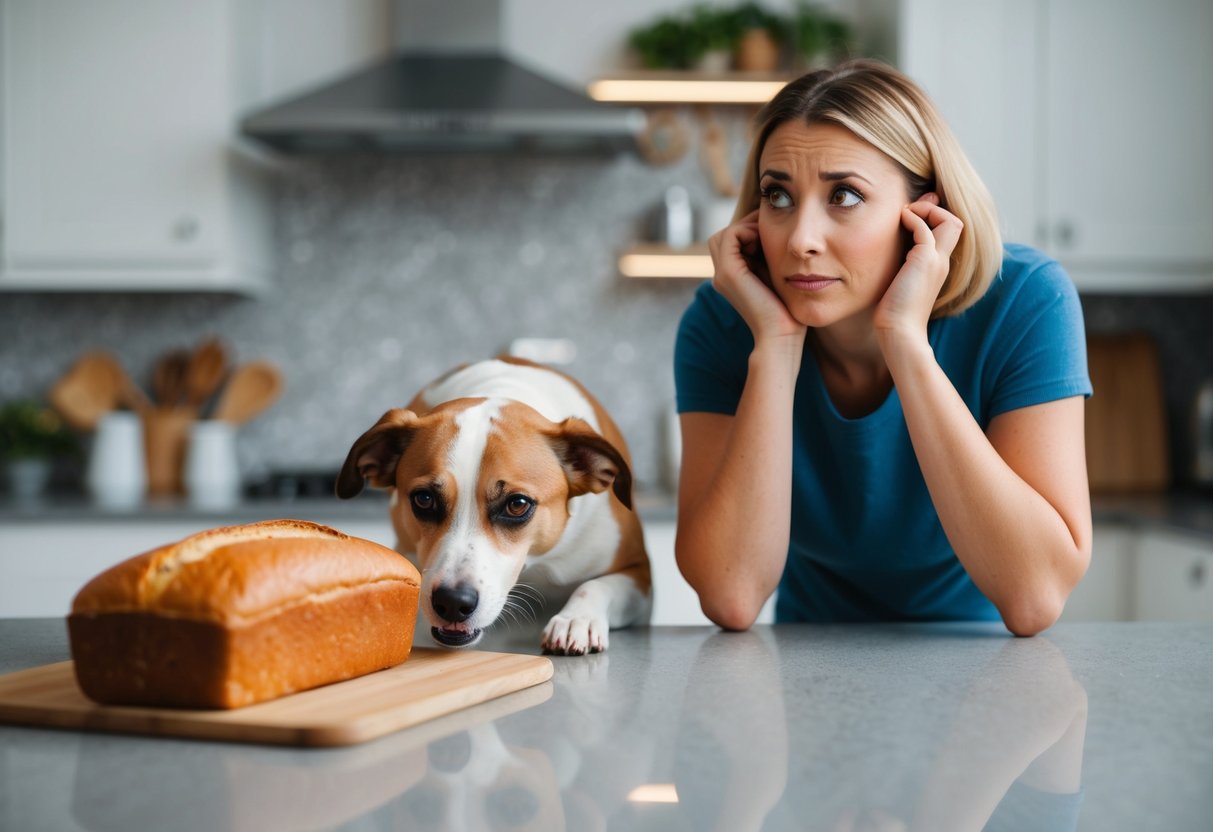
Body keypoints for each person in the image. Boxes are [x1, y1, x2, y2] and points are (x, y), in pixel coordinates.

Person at [673, 59, 1093, 636]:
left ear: (926, 214)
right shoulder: (720, 326)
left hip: (985, 661)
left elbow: (1035, 596)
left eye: (844, 195)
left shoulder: (1026, 301)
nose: (800, 240)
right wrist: (774, 345)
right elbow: (732, 595)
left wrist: (906, 342)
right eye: (778, 196)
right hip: (808, 662)